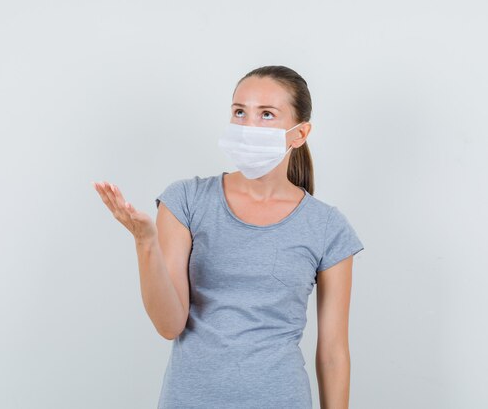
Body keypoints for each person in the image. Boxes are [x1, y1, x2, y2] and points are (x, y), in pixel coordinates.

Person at [92, 65, 364, 409]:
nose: (248, 125)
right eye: (240, 112)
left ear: (299, 133)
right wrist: (146, 243)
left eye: (266, 114)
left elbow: (333, 353)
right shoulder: (186, 201)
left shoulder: (327, 226)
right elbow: (169, 324)